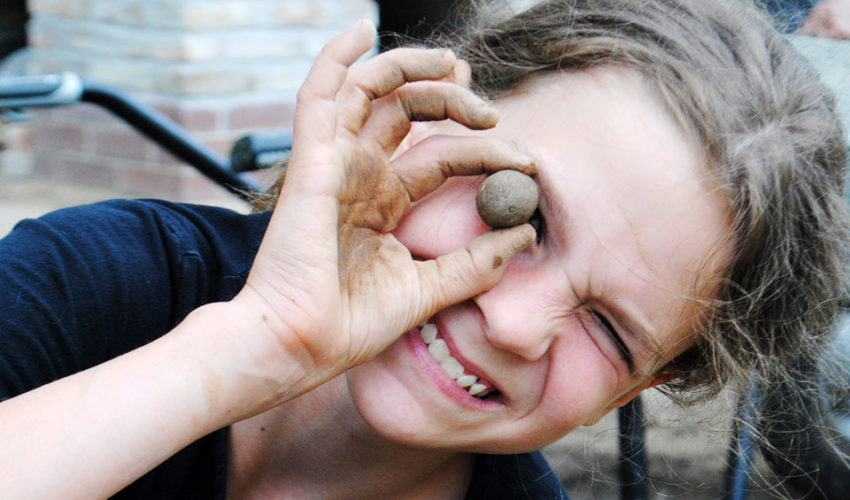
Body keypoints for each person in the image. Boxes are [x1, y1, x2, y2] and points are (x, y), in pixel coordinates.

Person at [0, 0, 846, 498]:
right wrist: (252, 351)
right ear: (422, 122)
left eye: (612, 332)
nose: (514, 322)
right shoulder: (96, 282)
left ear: (646, 385)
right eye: (522, 213)